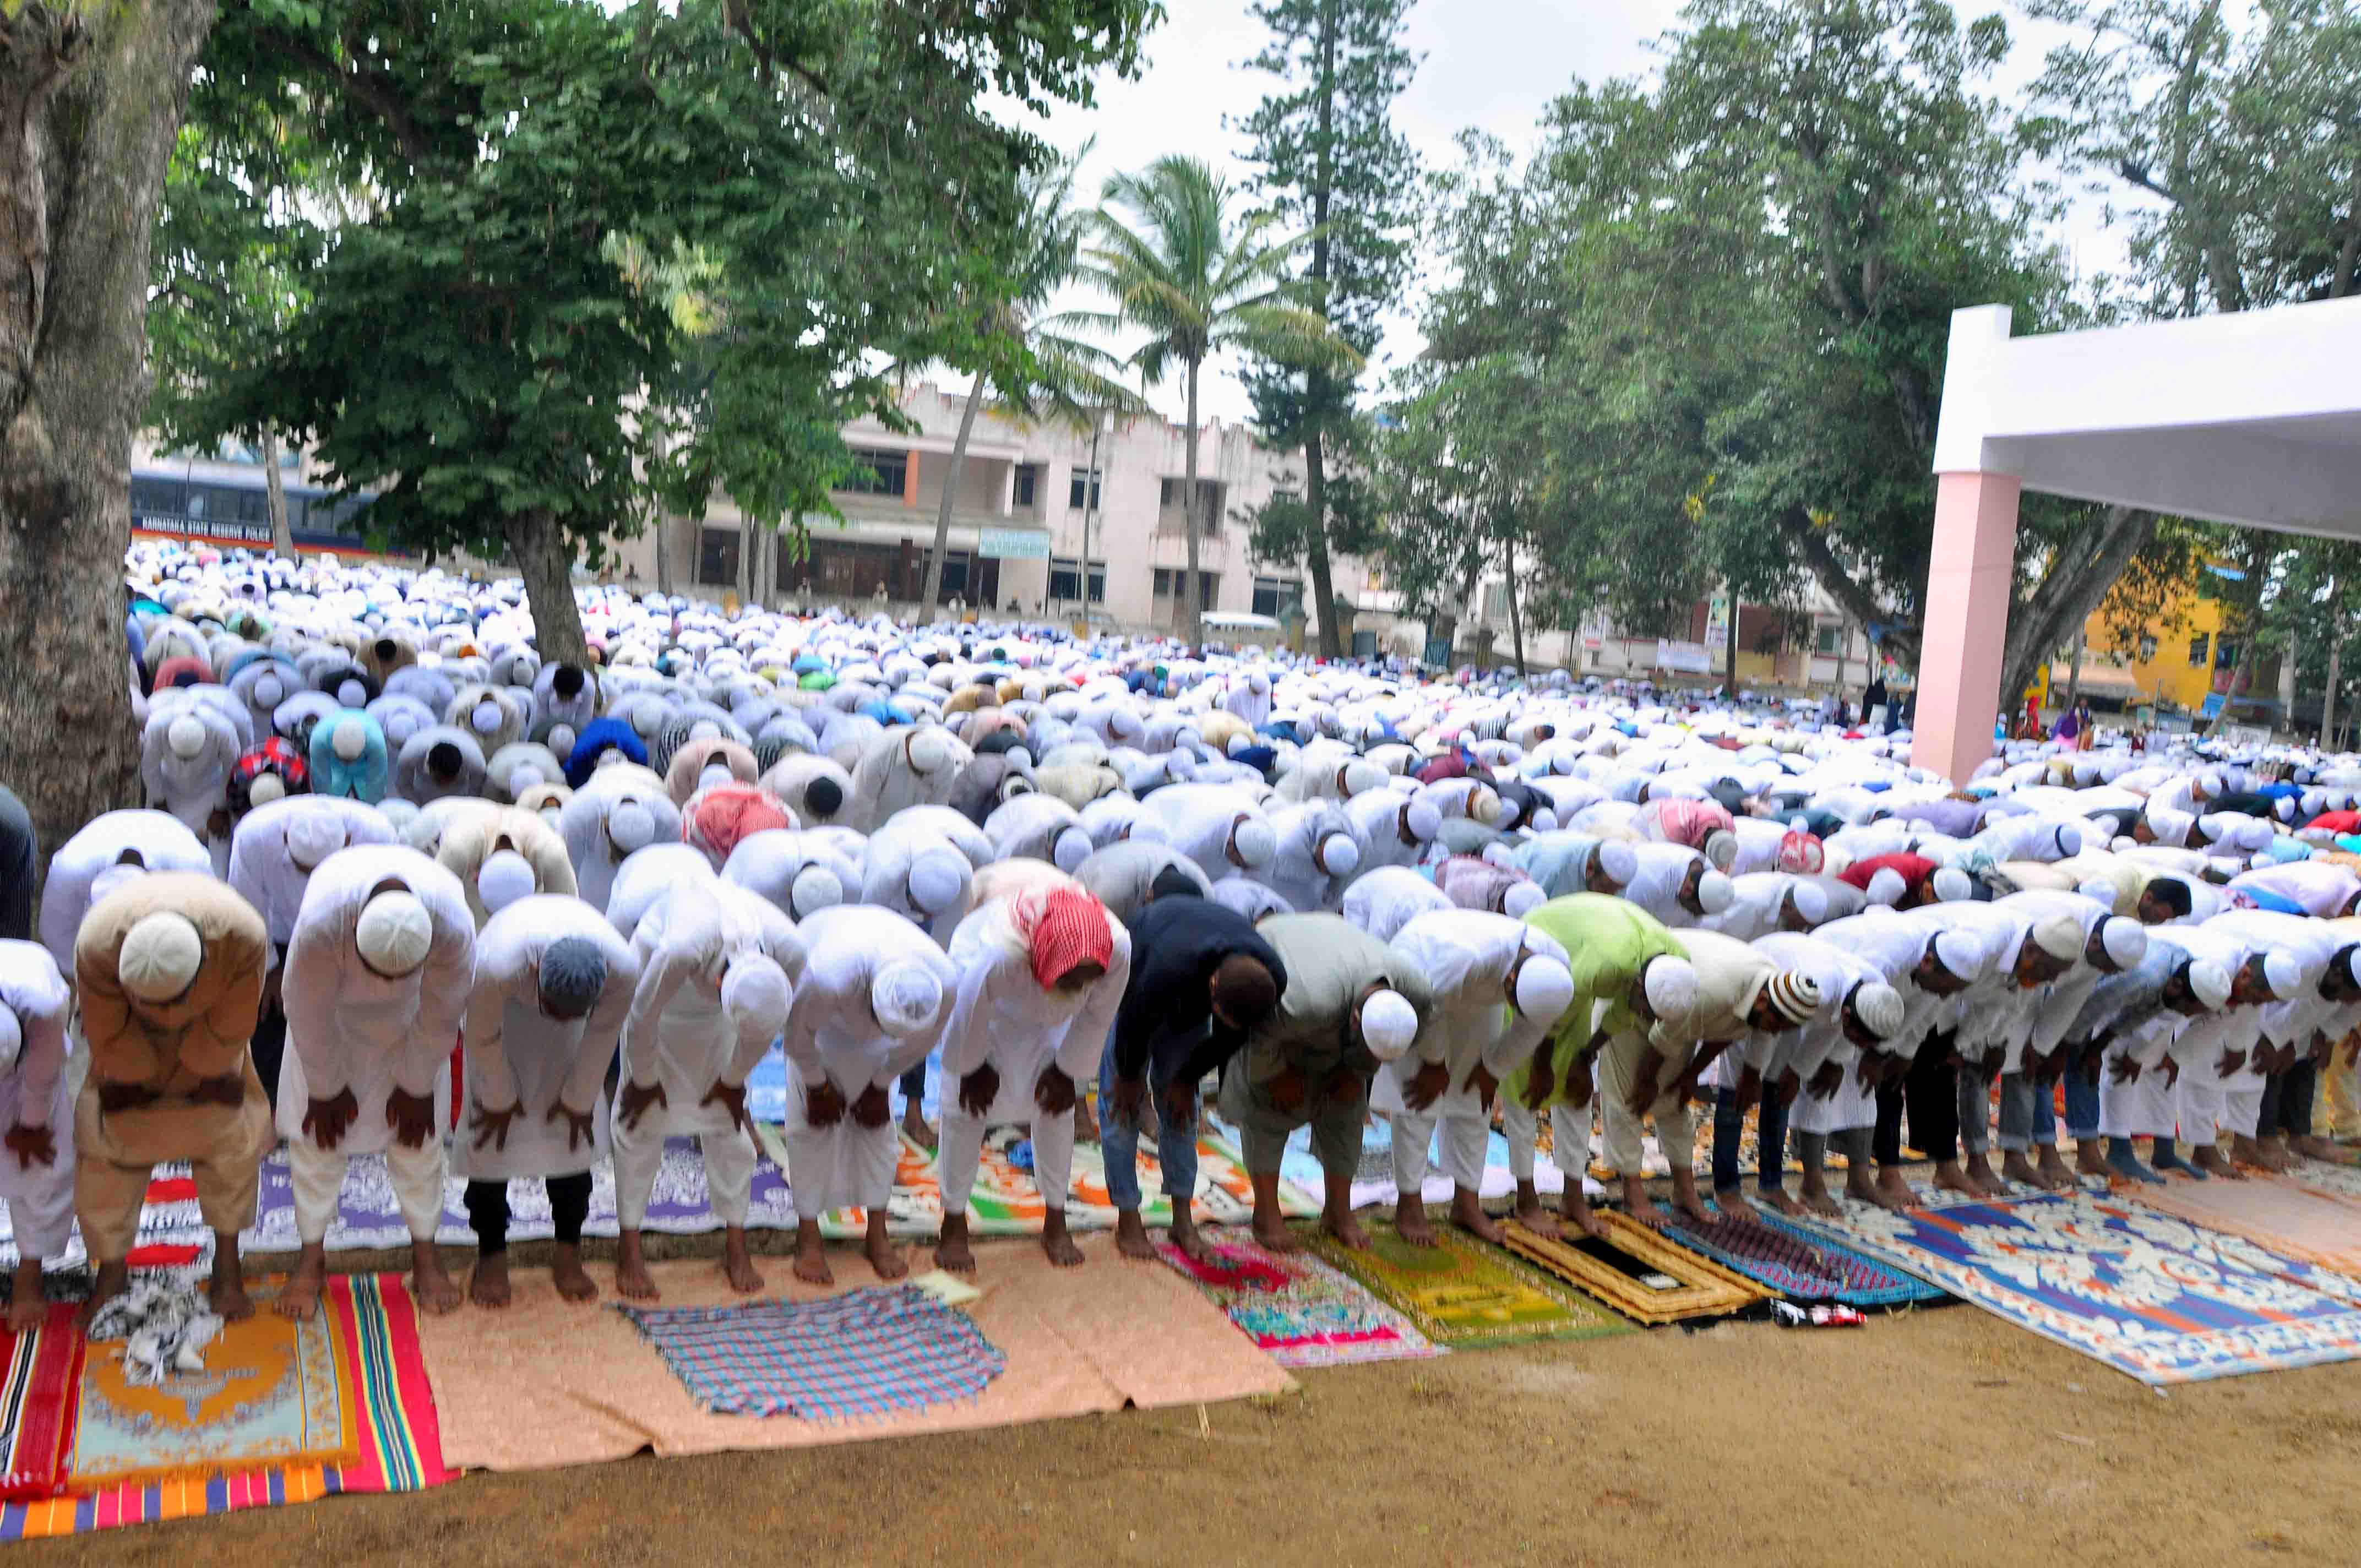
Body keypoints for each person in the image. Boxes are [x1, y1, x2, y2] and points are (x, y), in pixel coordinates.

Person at [276, 845, 475, 1317]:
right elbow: (303, 1005)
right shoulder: (324, 921)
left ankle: (426, 1258)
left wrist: (416, 1082)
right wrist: (324, 1088)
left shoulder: (451, 922)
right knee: (317, 1139)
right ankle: (311, 1259)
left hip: (413, 1024)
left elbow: (446, 1005)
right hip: (329, 1021)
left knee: (417, 1139)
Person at [73, 872, 271, 1324]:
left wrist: (211, 1072)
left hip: (213, 1024)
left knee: (227, 1127)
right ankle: (112, 1270)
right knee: (108, 1136)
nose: (165, 1015)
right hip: (126, 1028)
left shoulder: (242, 937)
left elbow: (232, 1027)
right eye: (155, 1003)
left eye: (172, 1002)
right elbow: (108, 1036)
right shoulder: (96, 944)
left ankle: (226, 1267)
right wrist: (130, 1082)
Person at [614, 878, 802, 1301]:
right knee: (639, 1124)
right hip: (658, 1003)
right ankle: (629, 1247)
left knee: (728, 1128)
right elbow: (642, 1015)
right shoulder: (680, 948)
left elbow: (763, 1025)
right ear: (719, 988)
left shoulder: (789, 951)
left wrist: (734, 1081)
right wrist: (643, 1081)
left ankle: (736, 1245)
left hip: (723, 1019)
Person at [935, 877, 1128, 1273]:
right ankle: (953, 1224)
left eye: (1087, 981)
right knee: (964, 1108)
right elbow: (968, 1010)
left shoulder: (1117, 949)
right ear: (1045, 960)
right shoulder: (998, 954)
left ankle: (1056, 1220)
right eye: (1072, 980)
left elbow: (1097, 1016)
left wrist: (1068, 1073)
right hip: (991, 1015)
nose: (1080, 988)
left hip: (1051, 1021)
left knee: (1056, 1108)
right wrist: (973, 1067)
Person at [458, 893, 639, 1308]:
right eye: (552, 1009)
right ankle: (491, 1253)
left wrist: (578, 1100)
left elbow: (602, 1034)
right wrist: (500, 1098)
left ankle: (568, 1252)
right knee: (490, 1135)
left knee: (572, 1138)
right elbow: (481, 1036)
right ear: (536, 972)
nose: (557, 1017)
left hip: (571, 1039)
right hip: (505, 1020)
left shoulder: (622, 969)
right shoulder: (496, 966)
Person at [1100, 872, 1281, 1262]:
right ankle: (1128, 1216)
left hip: (1193, 996)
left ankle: (1182, 1219)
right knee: (1121, 1107)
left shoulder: (1270, 978)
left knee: (1183, 1109)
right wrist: (1131, 1077)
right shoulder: (1167, 966)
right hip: (1137, 982)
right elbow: (1134, 1018)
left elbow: (1233, 1036)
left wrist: (1186, 1078)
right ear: (1213, 986)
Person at [1222, 913, 1426, 1253]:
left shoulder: (1417, 993)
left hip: (1335, 974)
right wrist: (1276, 1076)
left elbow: (1394, 1045)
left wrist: (1358, 1071)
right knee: (1269, 1107)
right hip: (1283, 961)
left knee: (1347, 1108)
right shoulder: (1301, 1003)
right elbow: (1258, 1033)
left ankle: (1338, 1211)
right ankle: (1266, 1214)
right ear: (1354, 1019)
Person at [1497, 894, 1698, 1240]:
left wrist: (1585, 1057)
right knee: (1527, 1088)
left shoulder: (1677, 963)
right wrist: (1542, 1066)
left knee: (1577, 1094)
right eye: (1646, 1011)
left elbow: (1623, 1012)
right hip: (1539, 960)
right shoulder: (1608, 965)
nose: (1645, 1020)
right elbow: (1555, 1012)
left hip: (1579, 968)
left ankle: (1573, 1199)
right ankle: (1527, 1201)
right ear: (1637, 986)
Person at [779, 905, 953, 1284]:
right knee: (810, 1130)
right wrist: (816, 1084)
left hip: (880, 1055)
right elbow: (795, 1034)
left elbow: (919, 1044)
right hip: (823, 1034)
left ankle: (877, 1234)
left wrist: (882, 1082)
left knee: (878, 1135)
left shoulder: (943, 985)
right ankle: (808, 1238)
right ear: (870, 996)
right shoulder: (828, 977)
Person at [1378, 909, 1574, 1244]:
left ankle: (1466, 1204)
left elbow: (1534, 1026)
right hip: (1424, 971)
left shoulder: (1553, 970)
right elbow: (1430, 1004)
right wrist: (1433, 1062)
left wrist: (1493, 1069)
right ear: (1510, 983)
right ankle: (1409, 1204)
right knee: (1419, 1095)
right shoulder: (1467, 959)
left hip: (1478, 988)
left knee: (1474, 1094)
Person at [0, 940, 74, 1330]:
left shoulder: (43, 1009)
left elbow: (41, 1074)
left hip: (32, 1057)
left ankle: (29, 1273)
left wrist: (30, 1126)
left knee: (39, 1160)